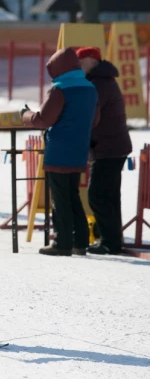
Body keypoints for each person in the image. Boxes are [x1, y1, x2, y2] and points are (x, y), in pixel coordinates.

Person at [21, 47, 98, 256]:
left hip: (59, 151)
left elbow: (43, 120)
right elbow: (96, 119)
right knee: (72, 196)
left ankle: (62, 243)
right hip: (79, 149)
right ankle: (80, 242)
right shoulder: (90, 88)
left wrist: (26, 114)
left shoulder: (60, 89)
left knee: (60, 198)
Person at [76, 47, 132, 255]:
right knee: (108, 195)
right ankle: (111, 240)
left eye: (81, 60)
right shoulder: (101, 80)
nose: (78, 64)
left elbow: (89, 113)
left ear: (92, 60)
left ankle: (109, 241)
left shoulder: (99, 83)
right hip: (111, 146)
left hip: (109, 147)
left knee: (97, 196)